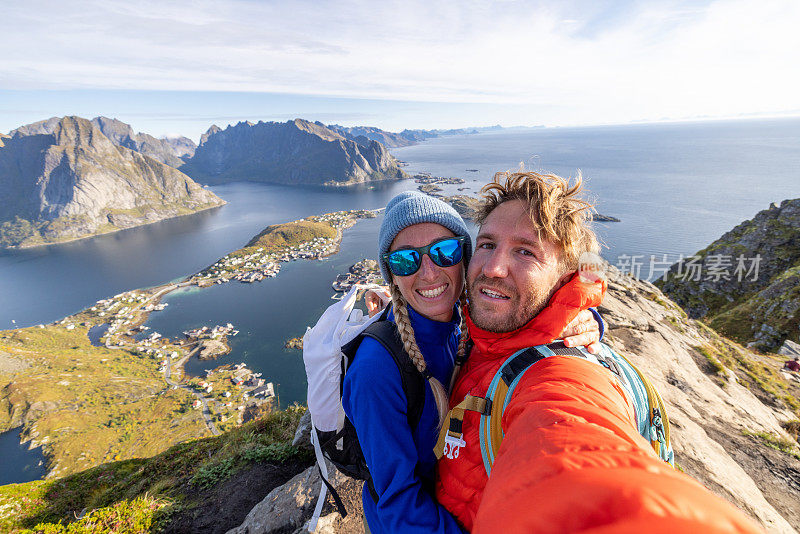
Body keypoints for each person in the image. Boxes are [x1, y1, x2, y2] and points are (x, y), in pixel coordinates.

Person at [435, 171, 763, 533]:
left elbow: (578, 447)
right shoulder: (474, 328)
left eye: (525, 252)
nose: (494, 268)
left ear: (565, 278)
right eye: (487, 244)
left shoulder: (556, 376)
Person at [341, 191, 602, 533]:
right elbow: (397, 502)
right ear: (393, 275)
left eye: (443, 251)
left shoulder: (473, 319)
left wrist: (584, 316)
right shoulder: (376, 369)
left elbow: (544, 302)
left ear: (464, 258)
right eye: (406, 260)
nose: (429, 272)